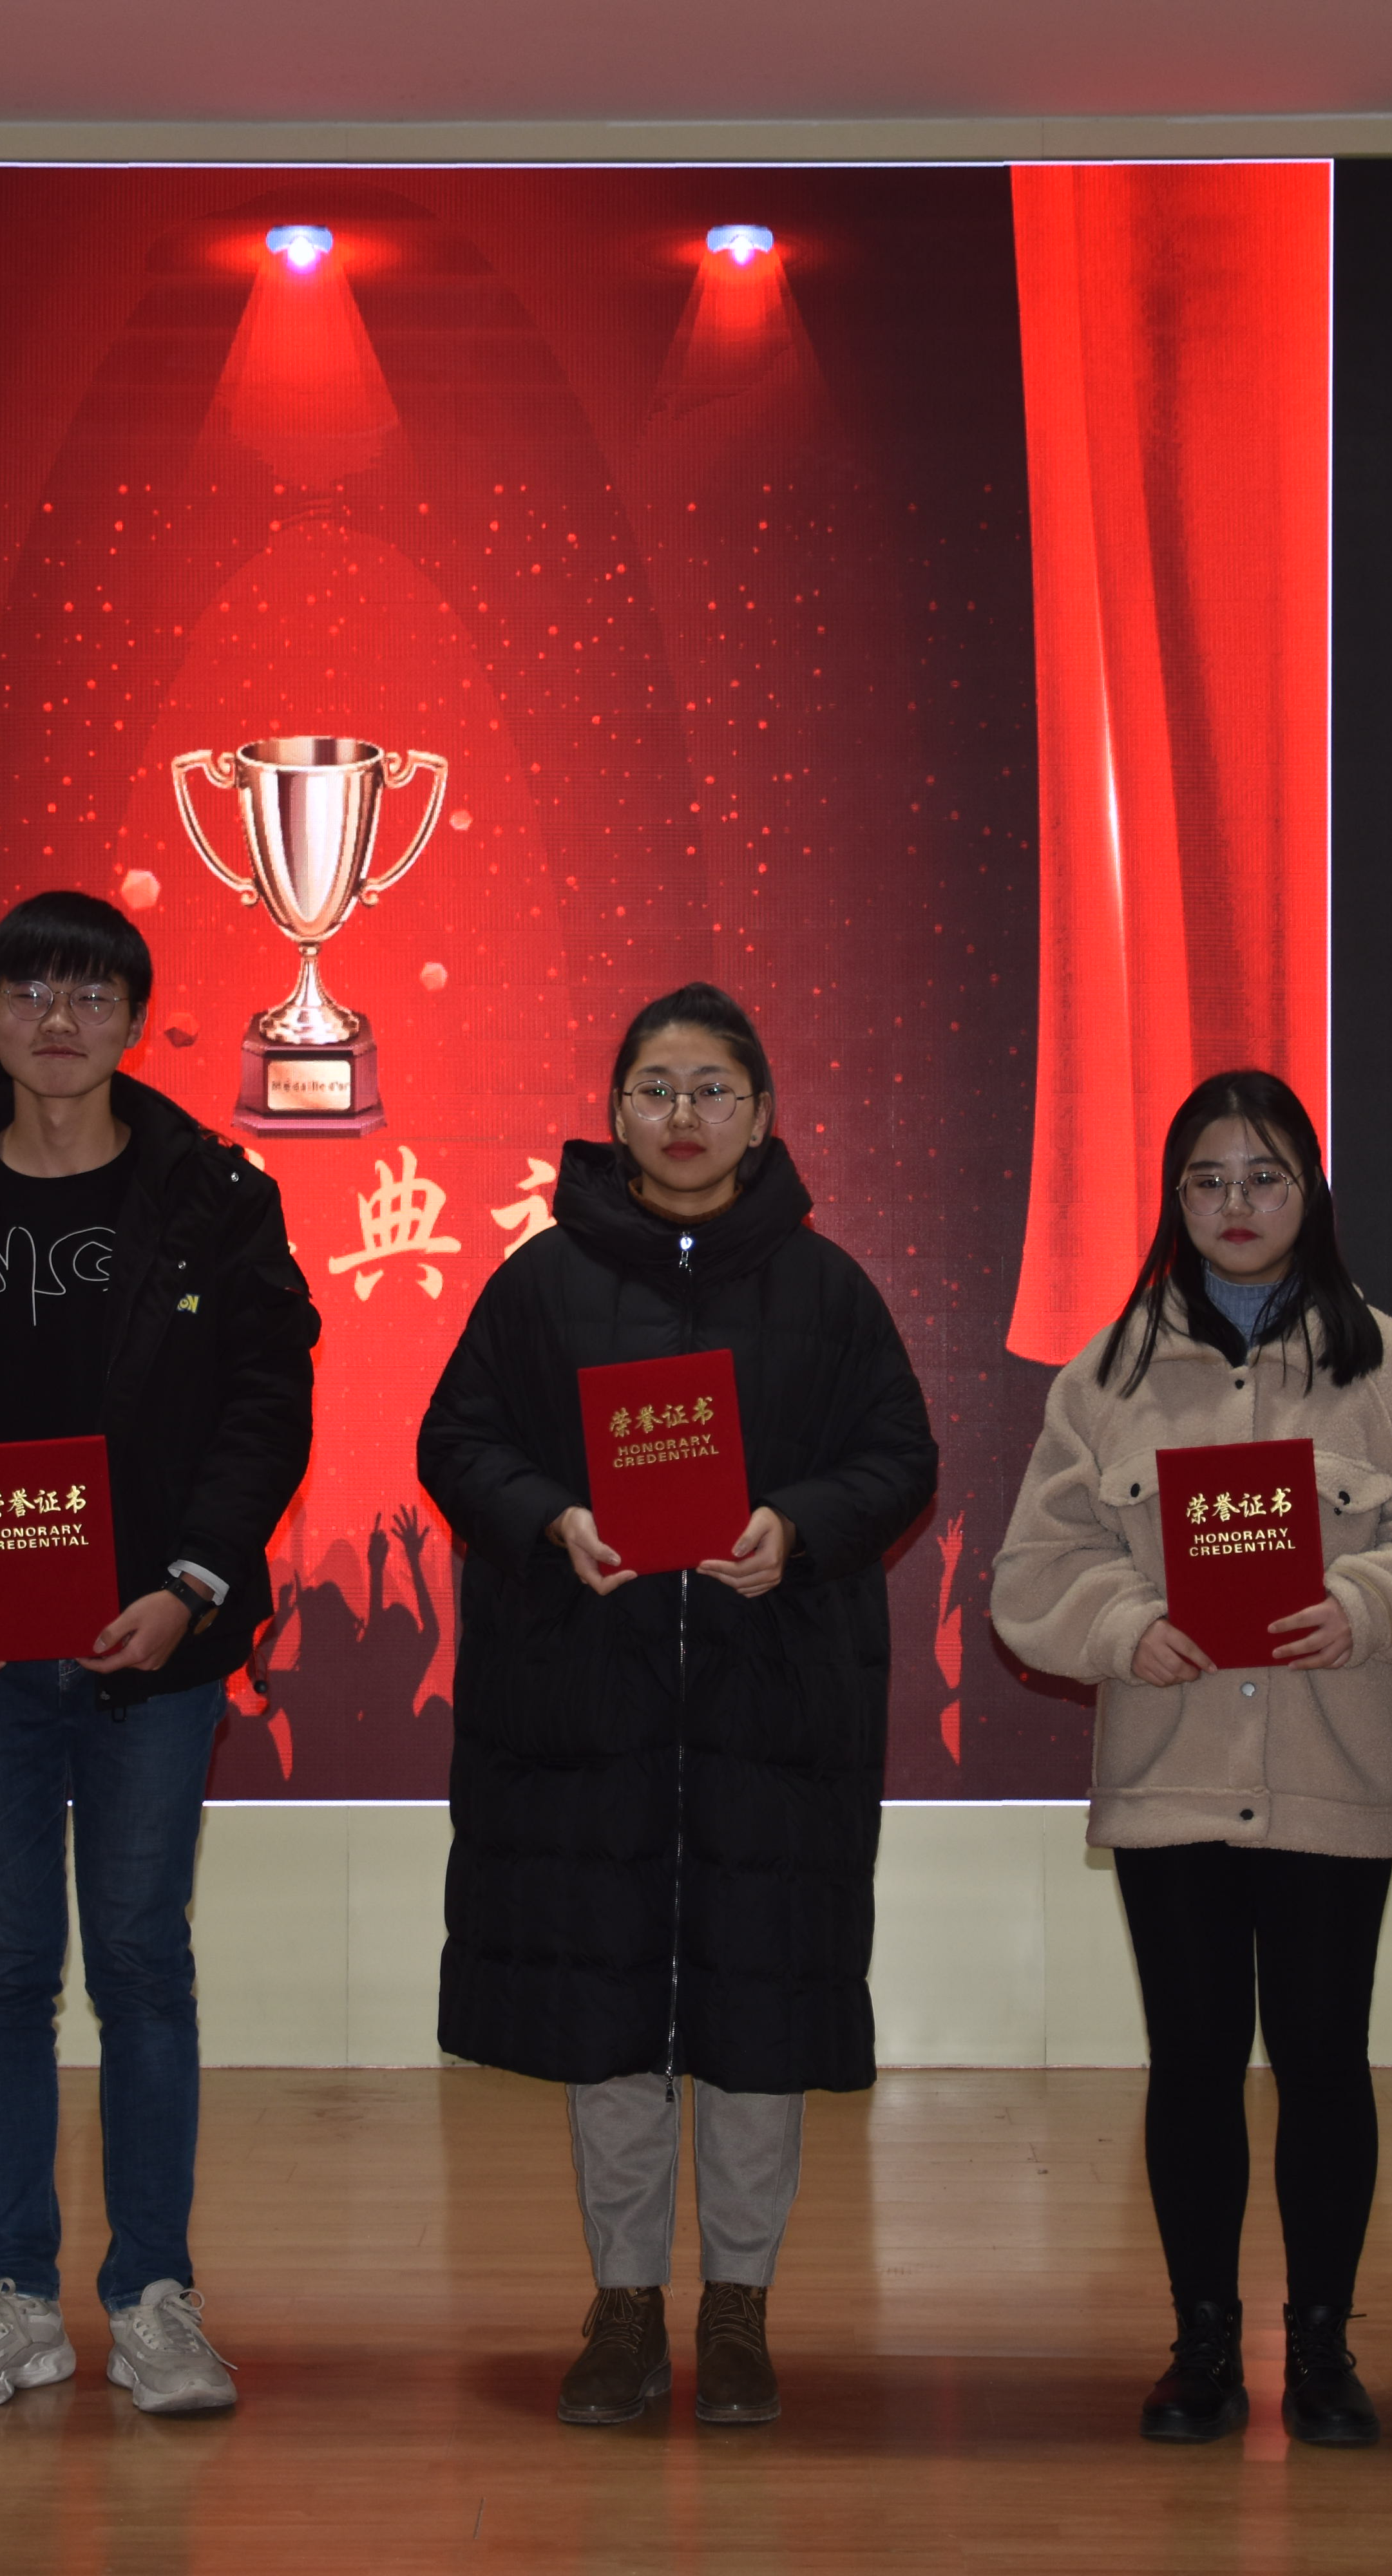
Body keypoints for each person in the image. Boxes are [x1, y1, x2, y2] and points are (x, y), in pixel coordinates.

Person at [0, 890, 320, 2416]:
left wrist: (191, 1582)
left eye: (91, 993)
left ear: (135, 1021)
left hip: (150, 1649)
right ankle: (12, 2299)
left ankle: (155, 2296)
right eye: (29, 989)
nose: (58, 1018)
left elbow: (268, 1401)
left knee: (145, 1965)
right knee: (1, 1971)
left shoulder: (211, 1196)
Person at [417, 982, 937, 2430]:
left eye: (714, 1088)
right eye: (657, 1087)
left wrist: (798, 1527)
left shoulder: (827, 1289)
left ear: (761, 1116)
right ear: (616, 1112)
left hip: (774, 1713)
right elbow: (457, 1439)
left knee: (759, 2022)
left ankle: (742, 2306)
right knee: (613, 2026)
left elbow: (899, 1455)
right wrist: (552, 1519)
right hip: (596, 1712)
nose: (685, 1113)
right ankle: (628, 2304)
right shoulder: (541, 1283)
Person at [992, 1070, 1392, 2447]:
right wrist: (1124, 1625)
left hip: (1336, 1773)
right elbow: (1035, 1571)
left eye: (1264, 1176)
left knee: (1326, 2061)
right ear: (1175, 1198)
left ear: (1309, 1192)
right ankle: (1202, 2342)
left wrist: (1366, 1604)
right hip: (1174, 1777)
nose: (1235, 1204)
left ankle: (1321, 2346)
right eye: (1207, 1180)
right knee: (1195, 2062)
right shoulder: (1107, 1377)